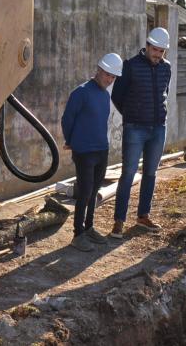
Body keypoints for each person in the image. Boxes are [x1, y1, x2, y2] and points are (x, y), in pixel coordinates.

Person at [109, 27, 172, 239]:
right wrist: (131, 115)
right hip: (135, 128)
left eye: (161, 51)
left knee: (151, 173)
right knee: (128, 173)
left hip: (158, 128)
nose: (157, 55)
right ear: (147, 46)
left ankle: (143, 216)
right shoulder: (130, 66)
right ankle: (119, 220)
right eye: (155, 50)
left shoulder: (167, 68)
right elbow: (117, 96)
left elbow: (165, 93)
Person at [61, 53, 123, 252]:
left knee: (94, 190)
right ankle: (77, 234)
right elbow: (67, 119)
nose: (110, 79)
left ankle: (89, 228)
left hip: (101, 149)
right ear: (99, 69)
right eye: (107, 74)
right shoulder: (81, 93)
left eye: (113, 77)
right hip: (84, 151)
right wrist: (71, 141)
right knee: (85, 191)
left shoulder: (105, 95)